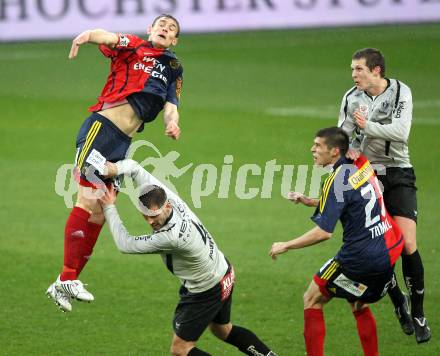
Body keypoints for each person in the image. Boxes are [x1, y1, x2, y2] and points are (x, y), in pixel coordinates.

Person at [46, 14, 183, 313]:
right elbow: (106, 36)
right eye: (161, 24)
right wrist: (86, 35)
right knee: (86, 202)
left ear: (174, 40)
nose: (165, 28)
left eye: (171, 28)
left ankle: (64, 282)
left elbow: (171, 106)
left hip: (122, 145)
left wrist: (172, 124)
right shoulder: (133, 46)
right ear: (150, 29)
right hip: (101, 129)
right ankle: (68, 278)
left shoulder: (173, 68)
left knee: (100, 213)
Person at [98, 159, 277, 356]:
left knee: (180, 349)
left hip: (206, 289)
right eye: (145, 215)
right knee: (223, 329)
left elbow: (126, 244)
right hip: (224, 272)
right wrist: (113, 169)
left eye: (153, 215)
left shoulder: (171, 237)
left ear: (165, 206)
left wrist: (109, 207)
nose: (150, 221)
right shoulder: (165, 196)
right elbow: (133, 167)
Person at [269, 127, 404, 356]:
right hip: (386, 250)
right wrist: (309, 201)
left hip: (358, 259)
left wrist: (286, 245)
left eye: (318, 146)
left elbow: (324, 232)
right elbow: (351, 198)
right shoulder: (361, 164)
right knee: (358, 302)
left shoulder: (335, 180)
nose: (312, 149)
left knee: (312, 299)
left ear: (334, 152)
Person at [337, 48, 430, 343]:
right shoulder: (351, 98)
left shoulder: (401, 92)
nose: (354, 75)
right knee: (379, 246)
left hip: (399, 172)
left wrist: (367, 126)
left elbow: (401, 132)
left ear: (376, 70)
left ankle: (418, 313)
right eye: (353, 69)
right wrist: (347, 146)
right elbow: (344, 134)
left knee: (408, 244)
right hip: (368, 175)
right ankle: (398, 303)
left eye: (359, 69)